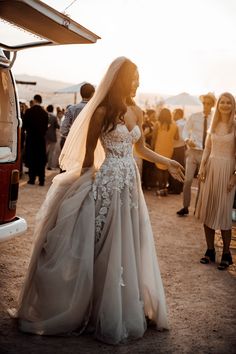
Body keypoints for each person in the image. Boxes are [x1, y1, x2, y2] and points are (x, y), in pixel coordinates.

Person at [11, 57, 184, 344]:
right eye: (134, 78)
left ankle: (126, 304)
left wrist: (168, 161)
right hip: (107, 186)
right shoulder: (101, 111)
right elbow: (90, 157)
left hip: (130, 185)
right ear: (120, 80)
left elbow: (140, 148)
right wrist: (80, 190)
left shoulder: (137, 111)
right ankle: (94, 310)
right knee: (104, 247)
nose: (138, 83)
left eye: (139, 78)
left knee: (129, 243)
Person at [195, 92, 236, 270]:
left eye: (228, 102)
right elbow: (207, 148)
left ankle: (227, 253)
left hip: (227, 172)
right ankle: (210, 250)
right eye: (222, 102)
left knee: (225, 213)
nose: (225, 105)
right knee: (209, 210)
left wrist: (235, 175)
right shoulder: (214, 124)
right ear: (218, 105)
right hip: (210, 169)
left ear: (233, 105)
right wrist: (202, 167)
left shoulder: (235, 126)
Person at [177, 92, 216, 216]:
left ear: (212, 105)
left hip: (207, 154)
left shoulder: (215, 119)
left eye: (209, 103)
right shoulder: (194, 116)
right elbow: (185, 131)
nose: (206, 105)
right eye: (204, 103)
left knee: (202, 182)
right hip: (193, 152)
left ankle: (198, 208)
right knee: (187, 180)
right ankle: (185, 207)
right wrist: (187, 140)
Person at [60, 82, 95, 149]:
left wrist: (74, 135)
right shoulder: (95, 109)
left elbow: (63, 129)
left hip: (75, 144)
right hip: (91, 144)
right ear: (92, 94)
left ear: (81, 93)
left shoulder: (71, 109)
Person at [152, 108, 179, 196]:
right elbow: (177, 138)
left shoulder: (157, 124)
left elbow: (154, 138)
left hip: (158, 148)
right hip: (169, 149)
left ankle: (160, 188)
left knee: (159, 168)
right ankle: (164, 188)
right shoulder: (174, 125)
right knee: (166, 167)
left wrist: (152, 148)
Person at [23, 94, 48, 186]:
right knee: (40, 159)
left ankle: (32, 179)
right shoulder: (45, 113)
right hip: (41, 139)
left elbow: (24, 126)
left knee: (32, 158)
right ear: (40, 101)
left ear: (34, 100)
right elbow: (46, 128)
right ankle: (42, 180)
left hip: (31, 139)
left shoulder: (29, 112)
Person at [168, 108, 186, 194]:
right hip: (182, 147)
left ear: (178, 114)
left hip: (176, 147)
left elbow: (175, 137)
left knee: (174, 167)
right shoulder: (185, 123)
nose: (173, 115)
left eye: (174, 113)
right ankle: (179, 188)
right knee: (181, 167)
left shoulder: (176, 124)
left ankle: (175, 188)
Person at [45, 104, 60, 170]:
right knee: (51, 152)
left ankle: (42, 164)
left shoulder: (44, 116)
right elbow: (57, 126)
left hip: (45, 136)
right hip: (52, 137)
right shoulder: (54, 117)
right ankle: (49, 166)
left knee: (44, 151)